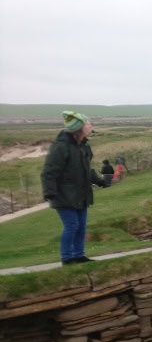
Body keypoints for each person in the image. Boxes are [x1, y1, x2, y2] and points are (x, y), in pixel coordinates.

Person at [40, 111, 108, 265]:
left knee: (81, 227)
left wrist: (100, 181)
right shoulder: (61, 147)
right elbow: (48, 172)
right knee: (72, 225)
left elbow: (87, 169)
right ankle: (67, 258)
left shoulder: (84, 145)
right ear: (79, 128)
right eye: (87, 123)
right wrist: (49, 192)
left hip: (81, 193)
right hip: (64, 194)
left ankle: (79, 256)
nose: (90, 125)